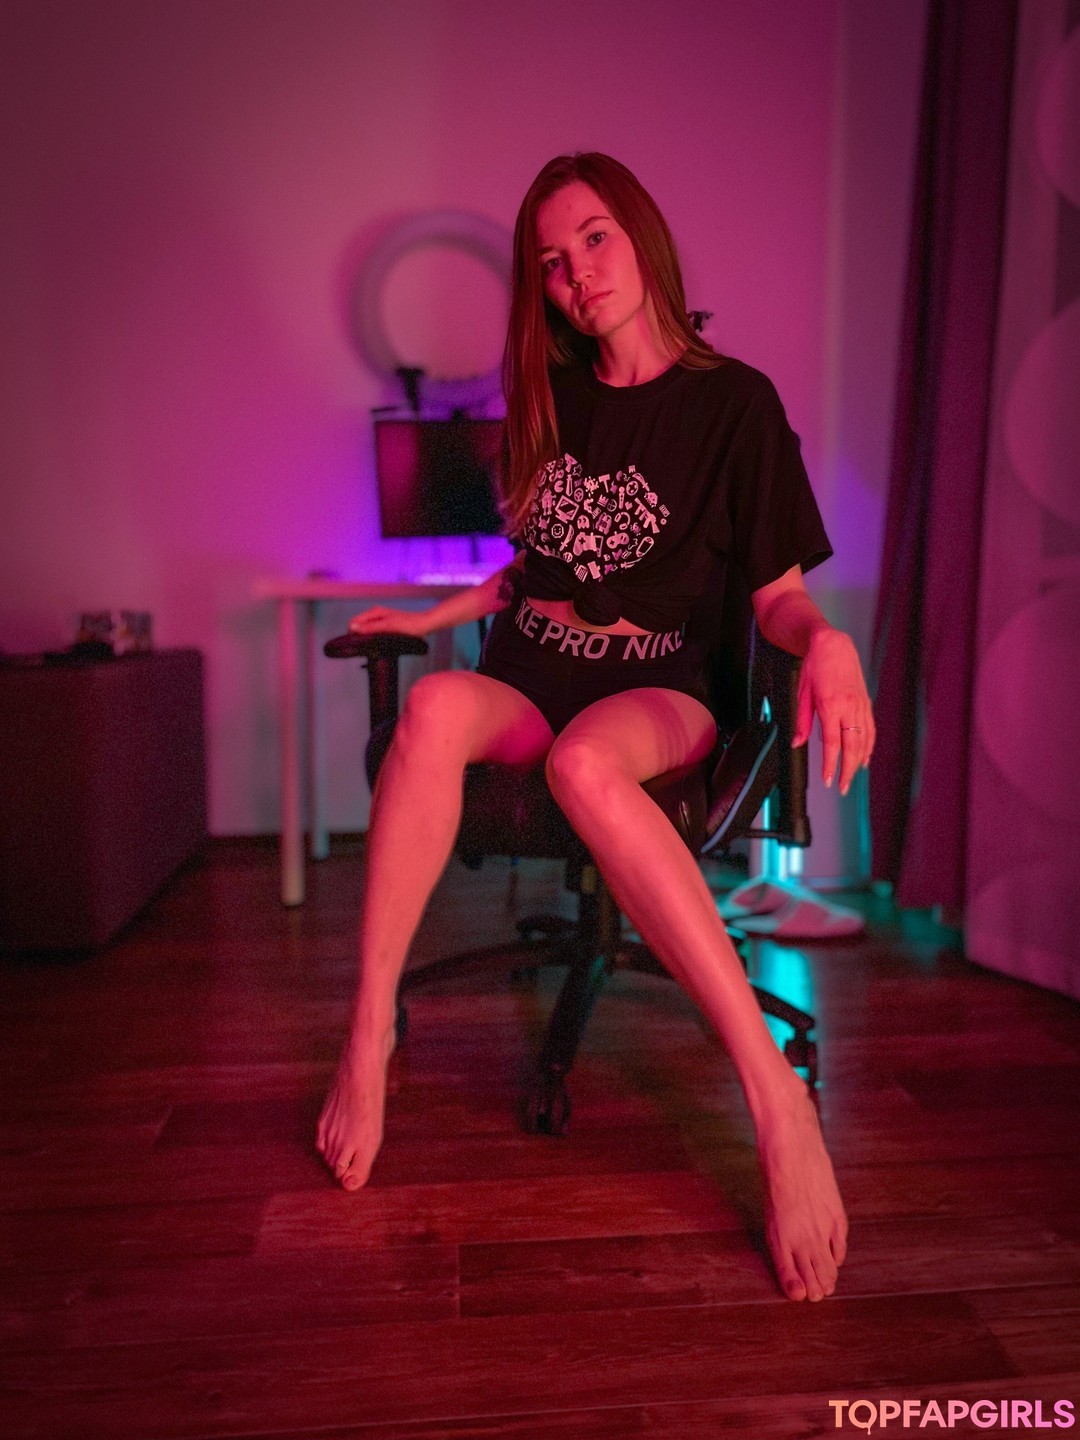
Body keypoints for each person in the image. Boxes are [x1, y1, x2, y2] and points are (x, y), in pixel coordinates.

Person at [317, 153, 875, 1303]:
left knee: (584, 763)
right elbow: (532, 572)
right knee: (432, 702)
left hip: (657, 682)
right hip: (534, 666)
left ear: (643, 234)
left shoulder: (735, 404)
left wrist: (828, 640)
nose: (576, 274)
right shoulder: (555, 400)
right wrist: (428, 617)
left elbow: (776, 594)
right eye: (552, 262)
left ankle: (774, 1100)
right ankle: (368, 1030)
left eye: (595, 238)